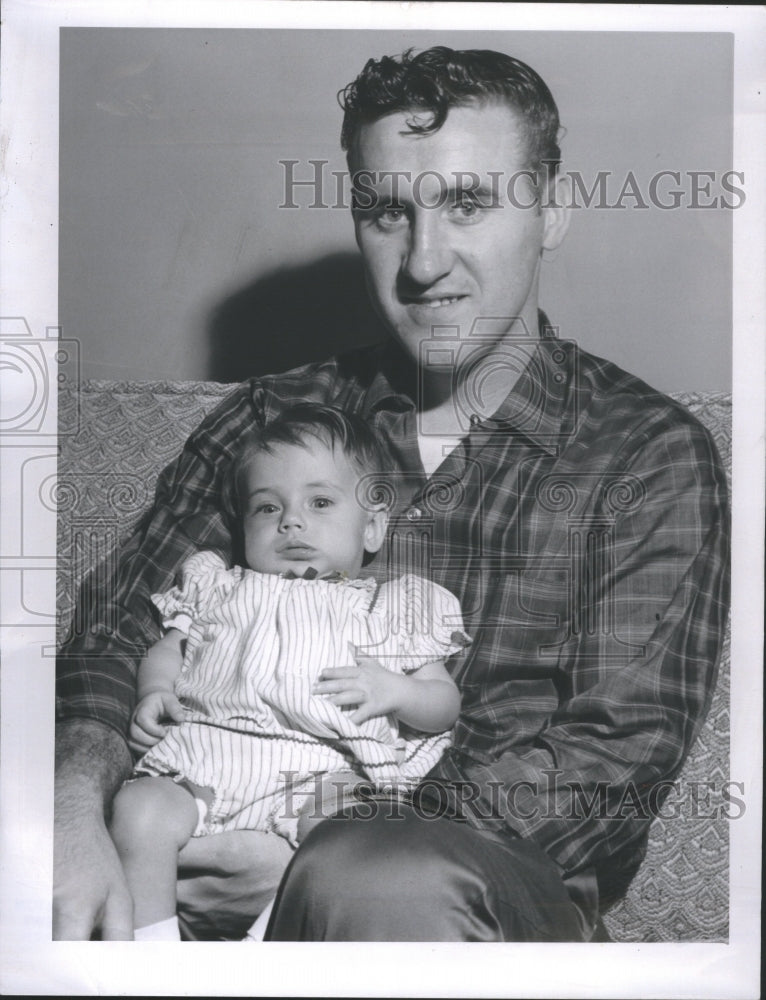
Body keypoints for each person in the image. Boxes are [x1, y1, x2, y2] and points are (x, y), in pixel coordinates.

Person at [55, 46, 729, 942]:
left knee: (378, 879)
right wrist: (67, 815)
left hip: (474, 895)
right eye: (386, 214)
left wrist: (314, 855)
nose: (423, 262)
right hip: (185, 842)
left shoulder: (644, 454)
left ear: (553, 211)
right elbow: (111, 640)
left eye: (469, 204)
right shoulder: (275, 417)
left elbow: (610, 766)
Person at [107, 404, 464, 940]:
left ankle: (269, 949)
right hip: (208, 757)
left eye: (320, 502)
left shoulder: (390, 607)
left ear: (371, 527)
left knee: (352, 840)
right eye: (267, 507)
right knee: (139, 812)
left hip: (323, 770)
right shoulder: (220, 585)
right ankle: (147, 962)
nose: (291, 520)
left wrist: (399, 691)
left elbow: (443, 704)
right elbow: (168, 648)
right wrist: (155, 690)